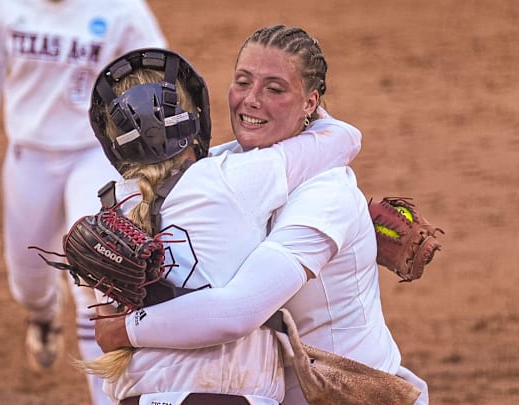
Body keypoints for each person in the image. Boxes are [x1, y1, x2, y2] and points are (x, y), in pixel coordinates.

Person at [93, 25, 429, 405]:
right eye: (242, 82)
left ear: (310, 103)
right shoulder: (226, 164)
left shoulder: (327, 195)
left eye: (274, 89)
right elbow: (341, 138)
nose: (251, 99)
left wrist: (123, 329)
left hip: (353, 393)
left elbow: (238, 309)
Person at [0, 1, 166, 404]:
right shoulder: (3, 7)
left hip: (97, 152)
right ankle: (42, 315)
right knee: (26, 285)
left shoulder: (121, 9)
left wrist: (154, 158)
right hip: (29, 156)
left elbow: (159, 77)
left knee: (95, 276)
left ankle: (106, 397)